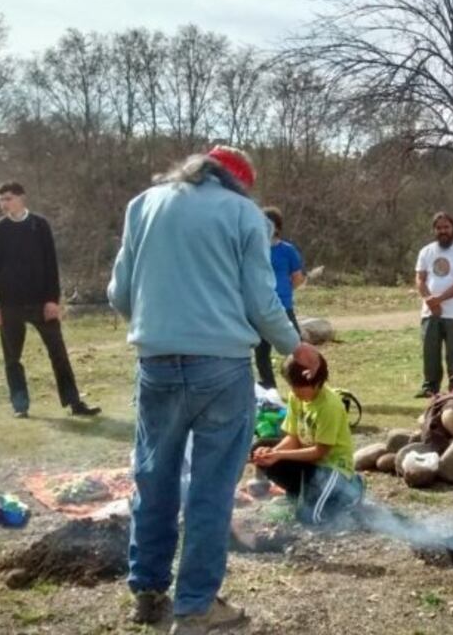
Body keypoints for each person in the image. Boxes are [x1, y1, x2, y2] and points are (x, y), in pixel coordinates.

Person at [108, 145, 322, 634]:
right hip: (221, 368)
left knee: (154, 477)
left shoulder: (143, 205)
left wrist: (159, 322)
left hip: (156, 364)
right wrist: (295, 346)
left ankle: (147, 591)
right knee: (210, 489)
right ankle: (195, 608)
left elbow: (119, 293)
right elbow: (261, 301)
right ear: (239, 183)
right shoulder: (244, 215)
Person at [0, 181, 100, 419]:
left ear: (21, 198)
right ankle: (20, 406)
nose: (4, 204)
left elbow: (51, 264)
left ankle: (74, 402)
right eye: (1, 200)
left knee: (58, 353)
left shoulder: (39, 225)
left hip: (41, 303)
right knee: (12, 359)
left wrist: (53, 300)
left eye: (8, 198)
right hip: (9, 304)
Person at [251, 352, 363, 524]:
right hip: (309, 464)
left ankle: (353, 489)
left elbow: (320, 452)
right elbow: (293, 438)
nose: (294, 392)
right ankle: (298, 493)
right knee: (260, 447)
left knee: (312, 519)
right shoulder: (296, 397)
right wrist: (271, 453)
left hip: (331, 469)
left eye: (299, 387)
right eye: (292, 386)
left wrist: (279, 455)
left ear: (317, 383)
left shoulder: (330, 406)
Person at [414, 212, 453, 398]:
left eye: (446, 227)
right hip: (430, 313)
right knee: (430, 351)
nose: (443, 231)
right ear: (434, 230)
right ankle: (430, 387)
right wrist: (429, 300)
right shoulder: (426, 251)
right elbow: (420, 278)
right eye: (439, 228)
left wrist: (439, 299)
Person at [254, 206, 305, 390]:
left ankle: (303, 383)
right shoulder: (255, 249)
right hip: (262, 307)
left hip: (283, 305)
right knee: (261, 352)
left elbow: (298, 277)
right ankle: (269, 388)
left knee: (298, 347)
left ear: (276, 226)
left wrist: (285, 290)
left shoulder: (287, 250)